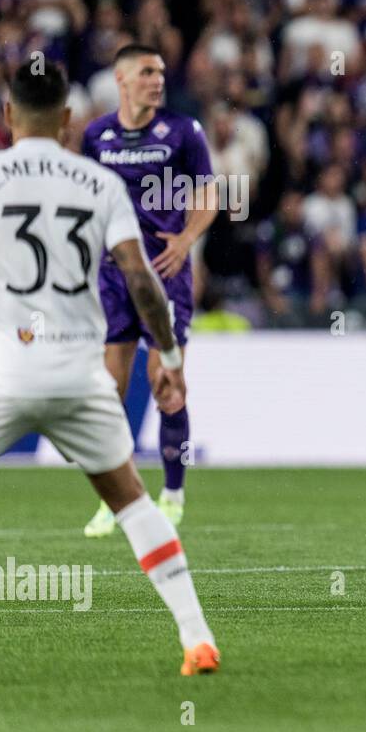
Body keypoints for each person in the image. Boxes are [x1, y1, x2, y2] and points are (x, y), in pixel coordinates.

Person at [0, 60, 219, 673]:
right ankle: (197, 638)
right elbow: (142, 280)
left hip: (6, 373)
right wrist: (169, 357)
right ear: (67, 120)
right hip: (81, 377)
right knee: (133, 502)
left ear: (7, 115)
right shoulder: (97, 185)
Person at [79, 44, 216, 537]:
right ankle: (114, 501)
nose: (157, 80)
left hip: (165, 271)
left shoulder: (183, 132)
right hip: (113, 275)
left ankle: (174, 493)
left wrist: (186, 239)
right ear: (121, 79)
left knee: (167, 384)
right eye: (146, 72)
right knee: (108, 390)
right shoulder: (96, 135)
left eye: (160, 72)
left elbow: (208, 194)